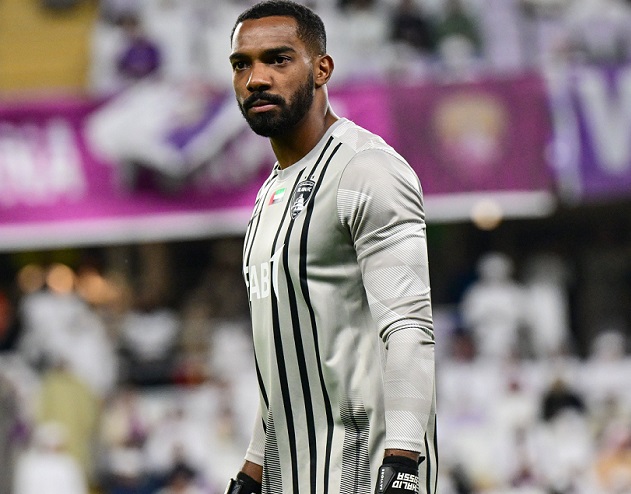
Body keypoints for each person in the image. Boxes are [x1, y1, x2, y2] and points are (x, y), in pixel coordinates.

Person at [225, 2, 437, 493]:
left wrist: (403, 463)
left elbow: (409, 327)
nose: (256, 79)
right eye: (241, 64)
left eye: (278, 59)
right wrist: (252, 471)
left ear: (322, 69)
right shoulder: (270, 193)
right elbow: (282, 362)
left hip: (366, 473)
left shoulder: (368, 171)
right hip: (291, 477)